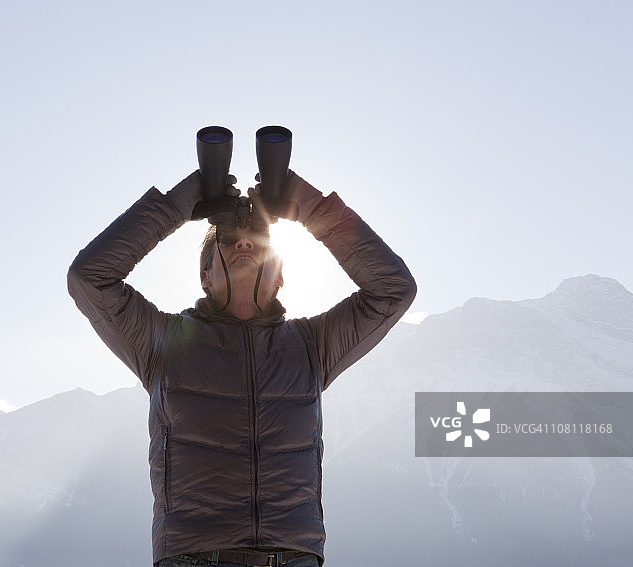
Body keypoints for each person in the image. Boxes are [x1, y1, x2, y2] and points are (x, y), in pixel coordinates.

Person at [67, 167, 417, 567]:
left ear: (281, 276)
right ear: (205, 276)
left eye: (262, 240)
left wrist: (309, 206)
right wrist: (182, 203)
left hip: (293, 558)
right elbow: (89, 277)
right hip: (194, 557)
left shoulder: (311, 346)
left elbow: (394, 289)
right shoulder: (163, 342)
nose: (246, 242)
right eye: (228, 239)